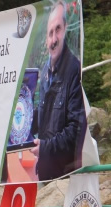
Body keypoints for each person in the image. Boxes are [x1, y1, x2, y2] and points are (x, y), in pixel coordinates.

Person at [29, 0, 86, 181]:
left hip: (66, 177)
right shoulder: (45, 71)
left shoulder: (74, 70)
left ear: (66, 28)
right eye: (50, 33)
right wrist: (22, 126)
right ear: (46, 39)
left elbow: (76, 131)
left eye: (58, 30)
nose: (54, 39)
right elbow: (45, 115)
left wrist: (45, 147)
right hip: (46, 173)